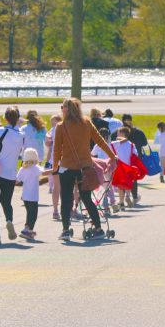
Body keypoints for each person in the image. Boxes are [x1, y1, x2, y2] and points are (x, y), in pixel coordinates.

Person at [51, 98, 116, 241]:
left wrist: (55, 166)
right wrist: (112, 156)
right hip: (85, 167)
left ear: (67, 109)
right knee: (87, 198)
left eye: (63, 107)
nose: (61, 109)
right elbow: (100, 140)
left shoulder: (61, 126)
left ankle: (66, 230)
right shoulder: (86, 122)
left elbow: (56, 149)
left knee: (66, 199)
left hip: (67, 167)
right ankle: (98, 229)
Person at [0, 107, 25, 244]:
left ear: (5, 118)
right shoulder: (21, 134)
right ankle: (9, 220)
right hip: (10, 173)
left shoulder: (0, 131)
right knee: (7, 202)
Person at [15, 148, 42, 239]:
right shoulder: (35, 168)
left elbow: (17, 180)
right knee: (33, 214)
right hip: (33, 196)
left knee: (29, 213)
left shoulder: (22, 168)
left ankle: (27, 229)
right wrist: (54, 170)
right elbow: (44, 173)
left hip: (25, 196)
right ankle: (27, 230)